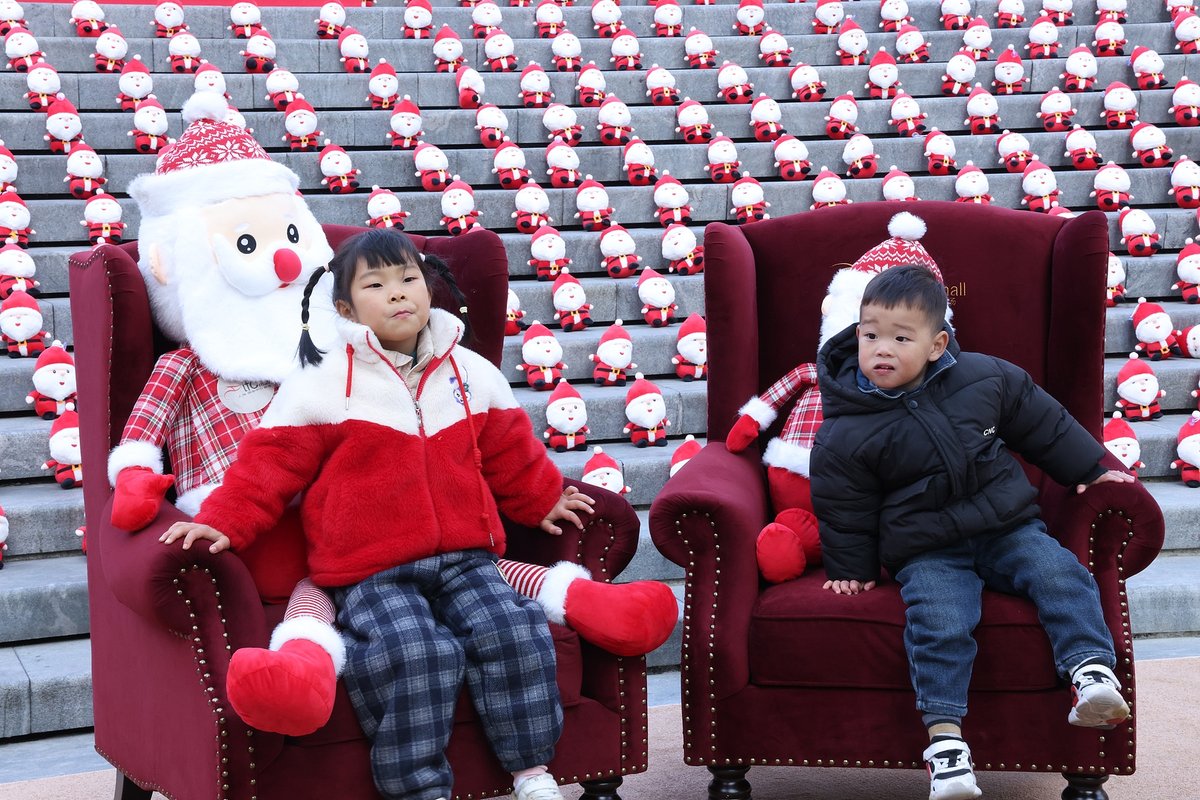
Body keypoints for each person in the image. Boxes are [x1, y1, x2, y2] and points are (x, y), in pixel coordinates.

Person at [161, 228, 588, 800]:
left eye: (409, 278)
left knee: (513, 628)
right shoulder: (321, 383)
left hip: (466, 559)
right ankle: (416, 789)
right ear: (344, 307)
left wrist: (543, 498)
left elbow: (511, 449)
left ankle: (531, 770)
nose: (398, 293)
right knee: (417, 653)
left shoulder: (470, 371)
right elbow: (268, 465)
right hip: (369, 569)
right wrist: (224, 519)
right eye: (377, 284)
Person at [810, 264, 1133, 800]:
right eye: (870, 335)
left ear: (937, 344)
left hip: (1007, 528)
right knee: (939, 622)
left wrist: (1092, 470)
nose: (880, 349)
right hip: (927, 550)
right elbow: (844, 505)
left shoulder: (986, 378)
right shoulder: (846, 427)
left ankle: (1091, 674)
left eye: (900, 338)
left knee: (1061, 573)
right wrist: (851, 569)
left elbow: (1043, 424)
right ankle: (946, 747)